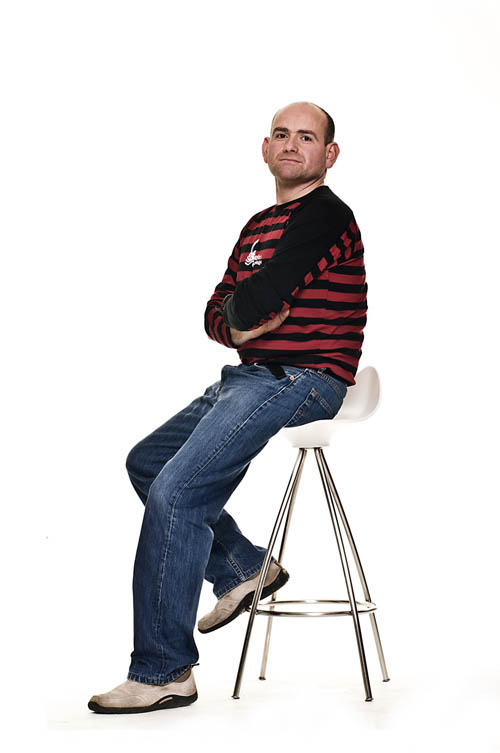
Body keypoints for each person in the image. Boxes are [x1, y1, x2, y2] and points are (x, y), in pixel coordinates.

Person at [88, 101, 368, 714]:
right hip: (252, 375)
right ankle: (244, 567)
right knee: (148, 464)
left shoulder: (326, 215)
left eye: (306, 137)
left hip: (305, 376)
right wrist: (242, 324)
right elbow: (217, 312)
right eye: (281, 135)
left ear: (329, 154)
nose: (291, 145)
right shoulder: (258, 225)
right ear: (265, 148)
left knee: (178, 492)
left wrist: (247, 316)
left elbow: (262, 294)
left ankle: (163, 671)